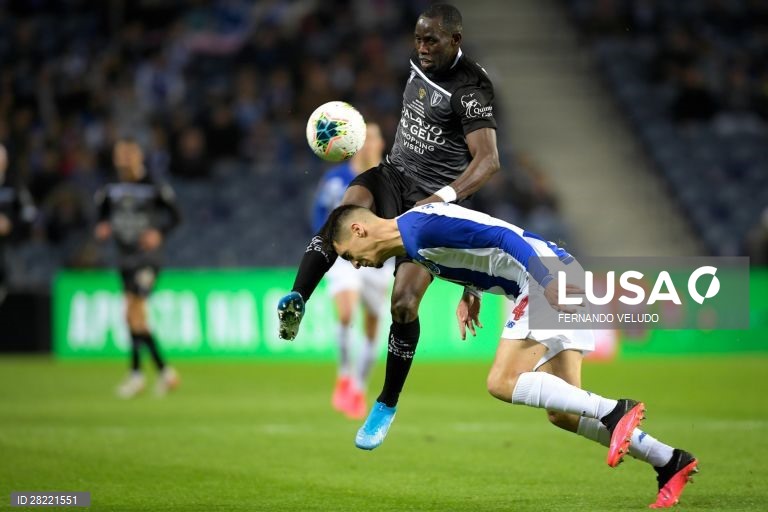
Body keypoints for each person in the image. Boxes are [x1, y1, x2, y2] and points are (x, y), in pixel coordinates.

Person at [325, 202, 699, 509]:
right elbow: (475, 240)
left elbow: (503, 236)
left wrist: (546, 281)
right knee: (565, 414)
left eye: (348, 255)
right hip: (557, 269)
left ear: (358, 230)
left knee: (502, 381)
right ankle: (669, 461)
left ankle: (615, 411)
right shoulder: (413, 239)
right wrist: (471, 291)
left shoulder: (420, 228)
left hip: (542, 275)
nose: (354, 264)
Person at [278, 3, 501, 433]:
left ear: (455, 40)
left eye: (431, 40)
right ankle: (297, 298)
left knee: (403, 304)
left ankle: (386, 402)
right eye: (418, 39)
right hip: (393, 176)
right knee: (343, 216)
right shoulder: (419, 64)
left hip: (433, 204)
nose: (422, 48)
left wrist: (442, 199)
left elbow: (489, 161)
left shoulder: (471, 89)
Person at [311, 123, 391, 419]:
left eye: (374, 137)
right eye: (364, 138)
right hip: (344, 257)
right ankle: (344, 376)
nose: (369, 143)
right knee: (346, 313)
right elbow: (319, 214)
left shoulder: (390, 178)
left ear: (381, 144)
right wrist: (328, 244)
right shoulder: (336, 179)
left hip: (378, 260)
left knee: (372, 324)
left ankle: (358, 387)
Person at [94, 138, 182, 398]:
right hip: (125, 259)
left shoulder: (153, 185)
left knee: (134, 312)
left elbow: (176, 216)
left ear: (138, 156)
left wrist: (159, 232)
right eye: (120, 155)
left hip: (147, 259)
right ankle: (164, 373)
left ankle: (137, 375)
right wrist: (103, 226)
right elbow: (101, 214)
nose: (124, 160)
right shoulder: (111, 188)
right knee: (133, 317)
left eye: (128, 154)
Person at [0, 143, 36, 305]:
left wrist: (11, 224)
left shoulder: (15, 185)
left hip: (13, 248)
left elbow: (30, 214)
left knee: (13, 292)